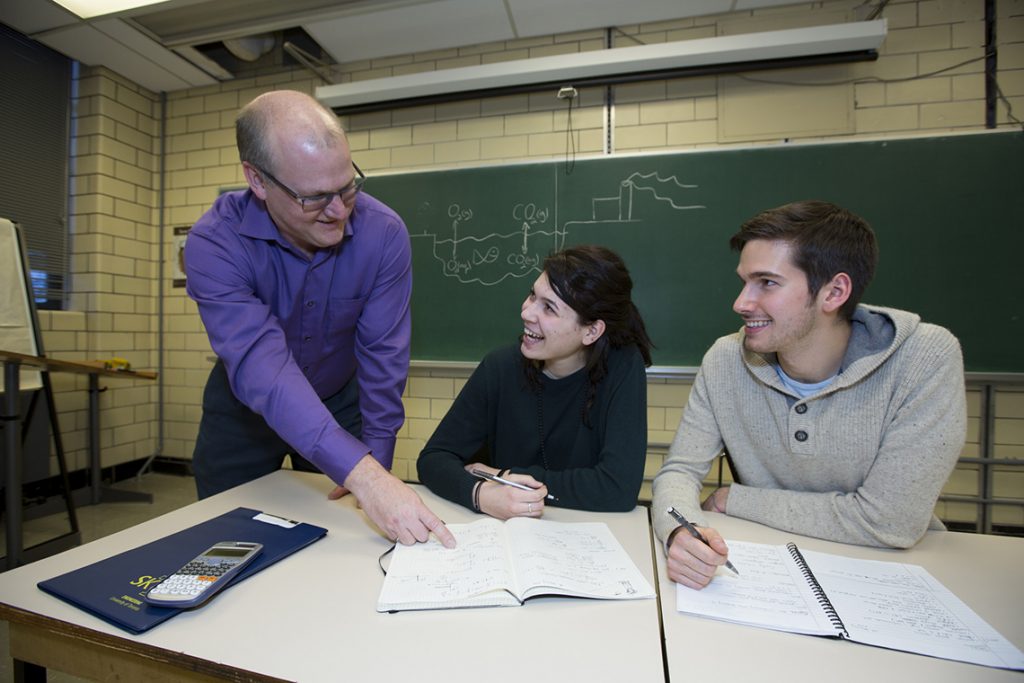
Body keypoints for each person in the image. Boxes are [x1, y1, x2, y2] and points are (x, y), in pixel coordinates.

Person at [185, 90, 454, 548]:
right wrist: (366, 477)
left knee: (347, 540)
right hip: (244, 411)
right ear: (257, 179)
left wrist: (377, 463)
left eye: (348, 187)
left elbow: (383, 354)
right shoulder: (214, 244)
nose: (339, 213)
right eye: (314, 198)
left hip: (340, 399)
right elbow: (262, 368)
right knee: (227, 540)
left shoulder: (383, 234)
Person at [653, 200, 966, 589]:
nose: (741, 303)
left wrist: (736, 500)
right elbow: (679, 473)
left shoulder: (925, 358)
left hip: (893, 574)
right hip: (763, 567)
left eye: (766, 282)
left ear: (834, 293)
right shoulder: (725, 359)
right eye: (743, 282)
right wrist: (681, 533)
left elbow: (891, 523)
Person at [417, 245, 653, 519]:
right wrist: (481, 495)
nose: (526, 313)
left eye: (549, 308)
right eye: (532, 295)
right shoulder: (500, 367)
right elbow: (433, 460)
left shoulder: (622, 368)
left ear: (591, 331)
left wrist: (507, 477)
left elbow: (617, 489)